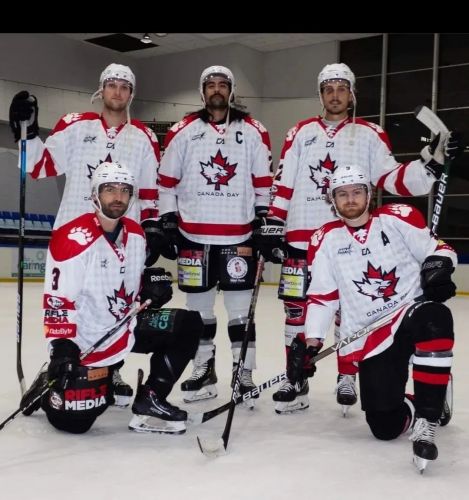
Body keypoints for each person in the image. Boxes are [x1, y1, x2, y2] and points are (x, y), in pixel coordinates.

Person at [254, 62, 462, 415]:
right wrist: (273, 222)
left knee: (349, 310)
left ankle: (346, 376)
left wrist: (429, 163)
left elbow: (392, 179)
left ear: (351, 95)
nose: (335, 95)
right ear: (320, 95)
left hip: (348, 240)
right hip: (301, 236)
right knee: (296, 311)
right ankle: (296, 380)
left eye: (341, 89)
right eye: (328, 89)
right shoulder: (300, 132)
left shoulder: (370, 133)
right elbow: (283, 182)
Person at [9, 63, 162, 405]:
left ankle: (110, 370)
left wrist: (151, 229)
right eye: (112, 85)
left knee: (115, 306)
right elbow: (40, 166)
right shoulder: (74, 125)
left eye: (124, 86)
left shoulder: (144, 136)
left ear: (131, 94)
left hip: (120, 239)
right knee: (67, 306)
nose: (117, 92)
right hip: (74, 240)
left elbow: (150, 193)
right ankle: (59, 365)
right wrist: (27, 134)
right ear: (101, 89)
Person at [289, 163, 455, 472]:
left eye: (357, 192)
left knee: (436, 316)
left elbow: (440, 249)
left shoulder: (396, 218)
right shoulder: (325, 239)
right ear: (332, 199)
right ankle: (424, 396)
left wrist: (440, 267)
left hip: (409, 312)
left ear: (369, 194)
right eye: (342, 194)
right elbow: (323, 297)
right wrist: (311, 343)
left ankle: (428, 417)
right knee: (384, 427)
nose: (350, 199)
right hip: (370, 335)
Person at [21, 162, 202, 434]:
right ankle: (48, 385)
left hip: (124, 328)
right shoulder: (73, 238)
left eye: (124, 190)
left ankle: (151, 397)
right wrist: (62, 348)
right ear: (95, 194)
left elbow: (130, 282)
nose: (118, 197)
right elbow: (58, 301)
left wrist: (150, 289)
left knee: (189, 324)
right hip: (85, 341)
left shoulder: (137, 234)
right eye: (109, 189)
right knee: (75, 425)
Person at [156, 65, 273, 404]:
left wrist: (263, 219)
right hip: (193, 237)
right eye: (211, 85)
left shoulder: (254, 130)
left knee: (240, 313)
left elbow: (263, 183)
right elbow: (166, 182)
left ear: (231, 91)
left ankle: (243, 372)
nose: (217, 89)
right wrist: (168, 219)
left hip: (239, 237)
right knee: (198, 313)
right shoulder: (182, 131)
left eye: (223, 84)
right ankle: (203, 369)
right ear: (202, 91)